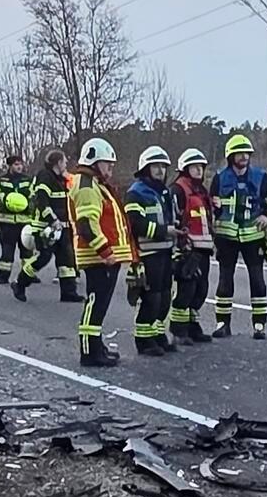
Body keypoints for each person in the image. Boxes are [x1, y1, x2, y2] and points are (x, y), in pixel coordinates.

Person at [211, 133, 267, 339]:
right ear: (230, 156)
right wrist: (214, 212)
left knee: (257, 280)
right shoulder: (219, 177)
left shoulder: (261, 177)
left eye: (246, 153)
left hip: (253, 237)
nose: (243, 156)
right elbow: (210, 203)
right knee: (225, 280)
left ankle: (259, 325)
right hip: (226, 238)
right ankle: (222, 324)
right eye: (239, 153)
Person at [68, 138, 133, 368]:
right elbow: (87, 224)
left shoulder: (94, 184)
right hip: (98, 256)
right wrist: (105, 251)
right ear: (95, 162)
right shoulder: (87, 186)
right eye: (108, 164)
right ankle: (89, 352)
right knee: (96, 303)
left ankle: (96, 346)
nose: (111, 169)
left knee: (101, 303)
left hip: (102, 256)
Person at [124, 146, 178, 357]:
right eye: (155, 166)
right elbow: (135, 223)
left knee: (165, 296)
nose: (160, 170)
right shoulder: (136, 192)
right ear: (145, 168)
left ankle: (157, 334)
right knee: (151, 297)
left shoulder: (164, 192)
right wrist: (165, 231)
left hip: (165, 251)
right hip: (147, 253)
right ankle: (143, 339)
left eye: (163, 166)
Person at [13, 149, 81, 303]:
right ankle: (20, 283)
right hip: (45, 227)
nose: (66, 164)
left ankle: (69, 292)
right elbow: (42, 201)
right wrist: (53, 219)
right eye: (64, 161)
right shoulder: (45, 176)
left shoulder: (61, 179)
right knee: (43, 258)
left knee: (67, 260)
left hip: (62, 227)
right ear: (57, 163)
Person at [167, 148, 216, 346]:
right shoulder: (178, 189)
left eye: (200, 167)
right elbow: (174, 218)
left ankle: (192, 325)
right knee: (186, 289)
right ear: (185, 169)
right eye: (194, 167)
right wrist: (181, 246)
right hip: (188, 248)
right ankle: (179, 330)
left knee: (201, 289)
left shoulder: (201, 190)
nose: (198, 170)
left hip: (203, 248)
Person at [0, 153, 26, 284]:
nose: (19, 167)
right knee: (7, 251)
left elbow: (34, 195)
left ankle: (28, 275)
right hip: (7, 223)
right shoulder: (1, 181)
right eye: (16, 164)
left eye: (20, 164)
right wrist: (4, 199)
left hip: (25, 222)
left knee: (27, 251)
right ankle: (3, 277)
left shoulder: (27, 180)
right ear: (10, 166)